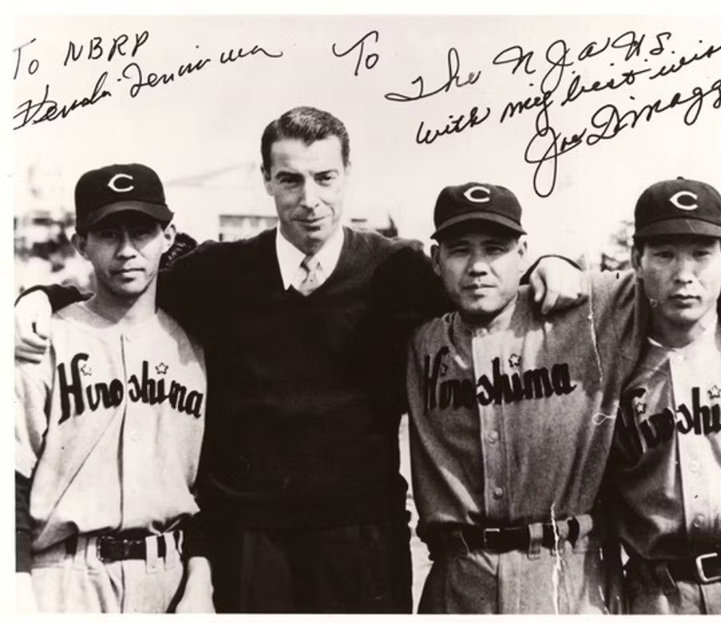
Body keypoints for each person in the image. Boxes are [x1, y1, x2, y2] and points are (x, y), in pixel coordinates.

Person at [13, 107, 586, 613]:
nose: (309, 199)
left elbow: (481, 283)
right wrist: (42, 298)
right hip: (249, 545)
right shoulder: (220, 271)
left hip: (361, 542)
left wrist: (551, 263)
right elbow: (126, 282)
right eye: (289, 180)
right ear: (267, 182)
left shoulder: (400, 270)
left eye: (324, 178)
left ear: (346, 177)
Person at [405, 181, 721, 614]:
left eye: (495, 249)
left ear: (522, 252)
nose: (477, 266)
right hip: (459, 577)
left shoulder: (583, 311)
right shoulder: (419, 338)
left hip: (564, 574)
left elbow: (689, 285)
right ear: (436, 259)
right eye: (459, 250)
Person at [15, 163, 212, 613]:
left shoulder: (196, 347)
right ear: (81, 244)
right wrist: (15, 581)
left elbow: (209, 488)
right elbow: (11, 478)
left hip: (169, 576)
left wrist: (202, 580)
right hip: (63, 580)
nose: (126, 251)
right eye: (108, 234)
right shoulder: (42, 339)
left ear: (168, 236)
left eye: (141, 232)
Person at [607, 178, 721, 614]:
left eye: (701, 254)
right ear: (637, 259)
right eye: (665, 254)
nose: (683, 275)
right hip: (656, 593)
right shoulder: (614, 364)